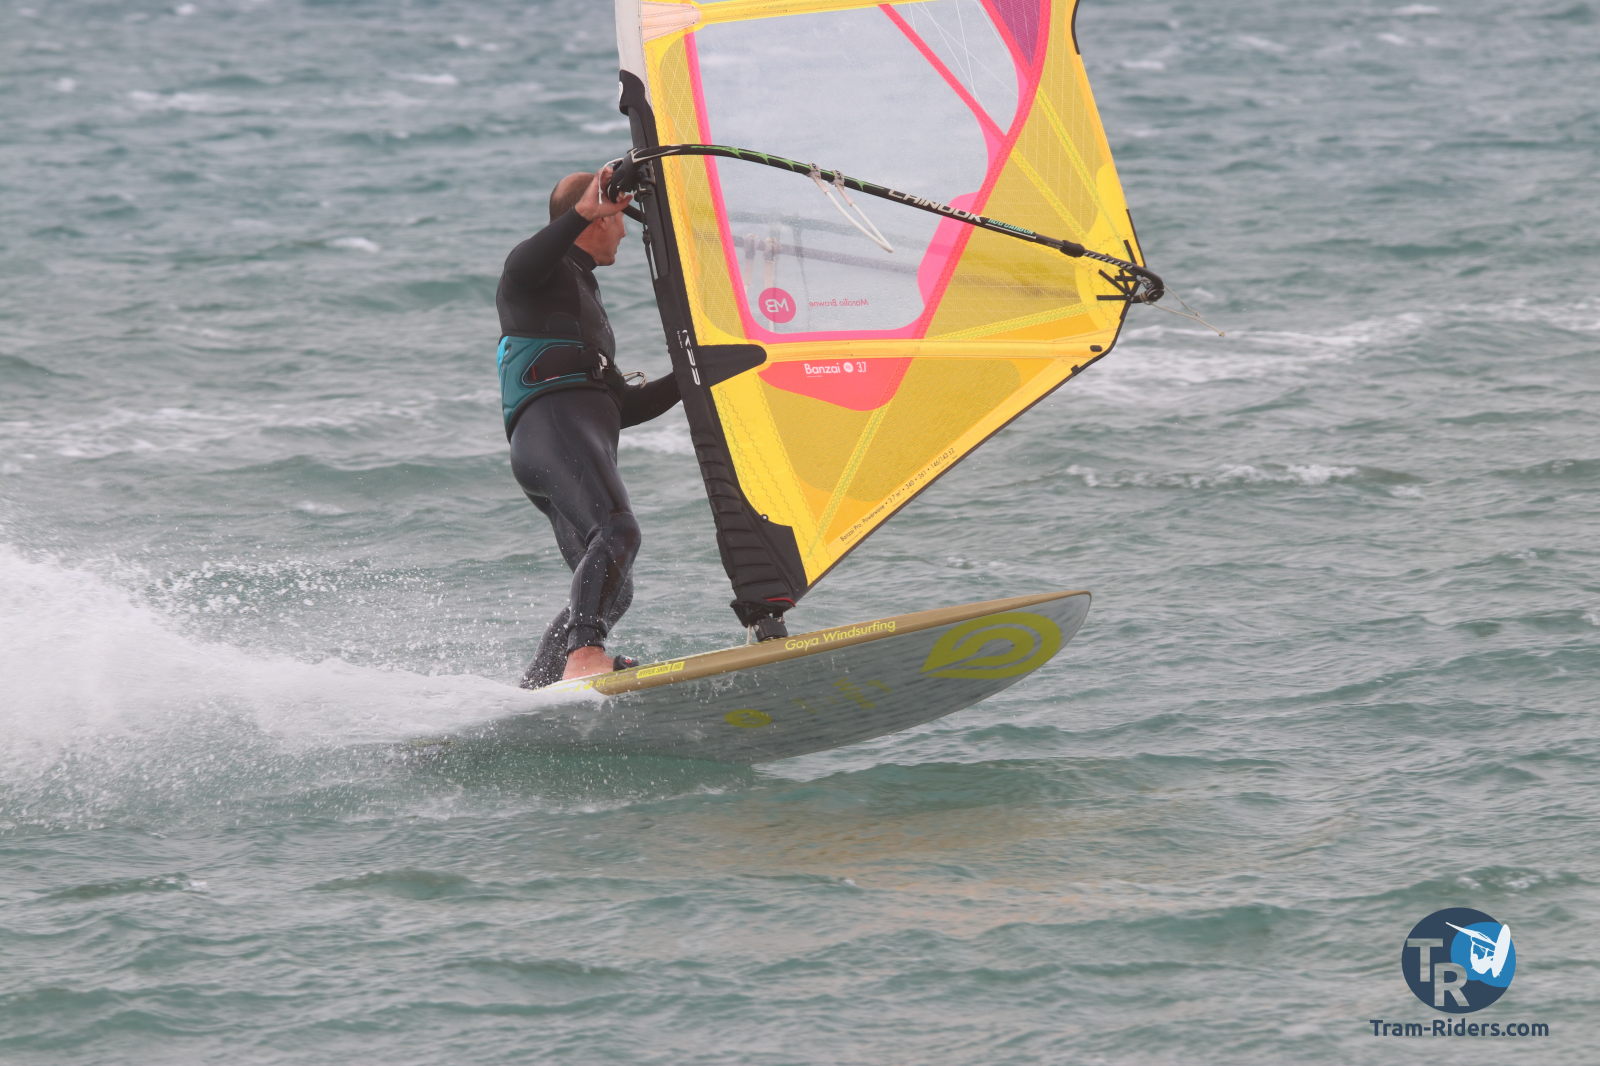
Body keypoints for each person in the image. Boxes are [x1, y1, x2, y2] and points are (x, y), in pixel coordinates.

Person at [496, 166, 680, 687]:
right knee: (618, 531)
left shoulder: (579, 294)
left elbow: (623, 407)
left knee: (614, 589)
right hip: (552, 430)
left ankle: (538, 689)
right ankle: (584, 655)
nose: (622, 230)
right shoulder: (536, 276)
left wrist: (697, 374)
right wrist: (582, 211)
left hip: (553, 442)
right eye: (617, 218)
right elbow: (523, 262)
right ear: (598, 217)